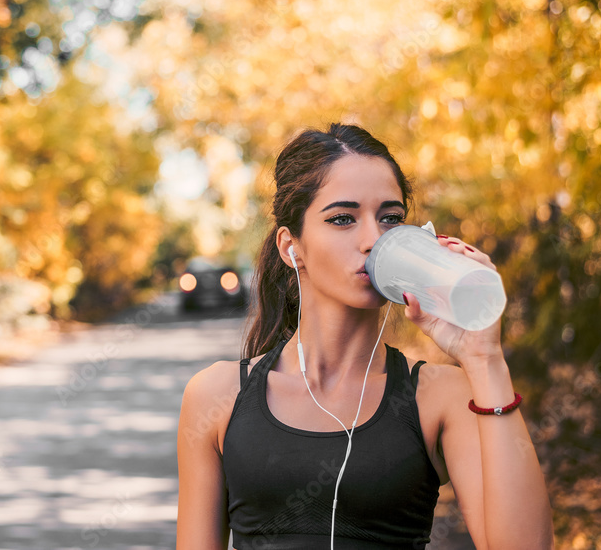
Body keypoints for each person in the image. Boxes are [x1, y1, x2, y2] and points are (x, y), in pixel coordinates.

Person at [175, 123, 553, 549]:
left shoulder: (441, 396)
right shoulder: (216, 397)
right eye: (342, 219)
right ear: (290, 247)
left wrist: (485, 359)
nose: (374, 239)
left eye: (390, 218)